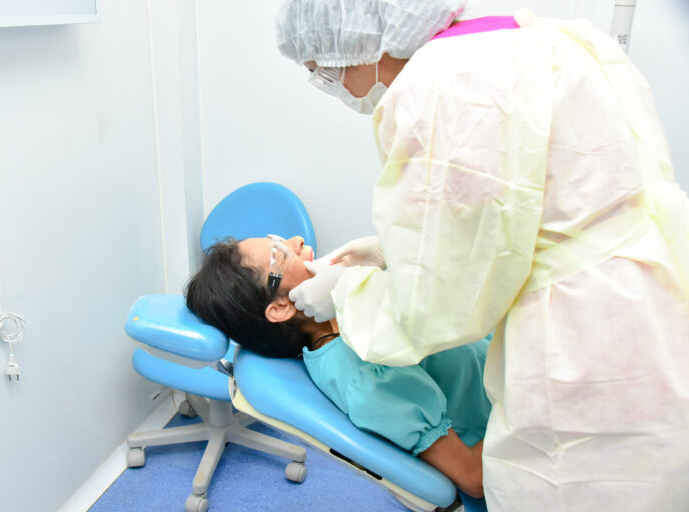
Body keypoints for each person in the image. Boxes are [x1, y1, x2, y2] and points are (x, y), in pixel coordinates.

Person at [275, 1, 689, 511]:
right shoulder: (545, 41)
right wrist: (391, 256)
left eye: (324, 71)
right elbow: (520, 219)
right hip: (652, 292)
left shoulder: (439, 88)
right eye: (275, 255)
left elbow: (436, 303)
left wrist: (350, 290)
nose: (333, 85)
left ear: (358, 41)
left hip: (583, 341)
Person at [185, 234, 491, 499]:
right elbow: (474, 477)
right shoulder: (365, 375)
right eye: (282, 254)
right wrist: (519, 398)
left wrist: (383, 265)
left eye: (279, 239)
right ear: (280, 307)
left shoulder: (351, 314)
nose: (298, 240)